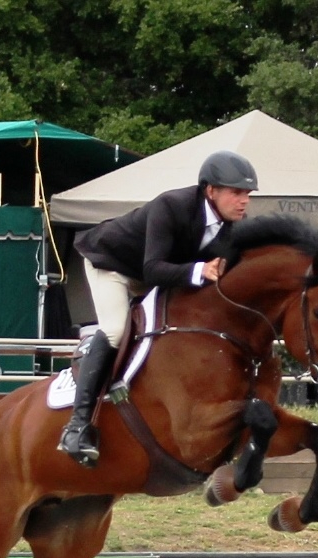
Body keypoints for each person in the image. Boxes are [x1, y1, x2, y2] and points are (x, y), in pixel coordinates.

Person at [57, 150, 260, 465]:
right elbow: (153, 269)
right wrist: (200, 270)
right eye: (236, 192)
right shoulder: (172, 206)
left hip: (158, 275)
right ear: (211, 191)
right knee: (115, 330)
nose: (244, 201)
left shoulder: (231, 228)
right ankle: (77, 426)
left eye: (247, 193)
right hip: (113, 265)